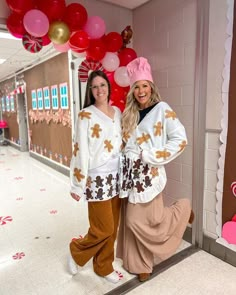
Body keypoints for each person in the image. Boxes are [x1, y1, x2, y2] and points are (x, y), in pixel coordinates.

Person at [116, 57, 194, 282]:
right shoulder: (128, 114)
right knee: (132, 222)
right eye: (136, 87)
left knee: (147, 221)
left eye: (144, 86)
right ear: (132, 91)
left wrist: (152, 156)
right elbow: (125, 144)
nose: (141, 91)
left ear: (151, 87)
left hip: (150, 176)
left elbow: (180, 139)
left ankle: (182, 209)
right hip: (131, 178)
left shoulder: (162, 109)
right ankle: (139, 263)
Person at [68, 70, 123, 284]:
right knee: (103, 228)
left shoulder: (117, 112)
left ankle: (103, 266)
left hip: (116, 177)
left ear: (108, 86)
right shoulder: (86, 115)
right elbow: (79, 150)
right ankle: (76, 251)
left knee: (113, 227)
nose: (100, 89)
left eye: (103, 85)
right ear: (90, 91)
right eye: (95, 86)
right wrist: (77, 185)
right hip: (96, 177)